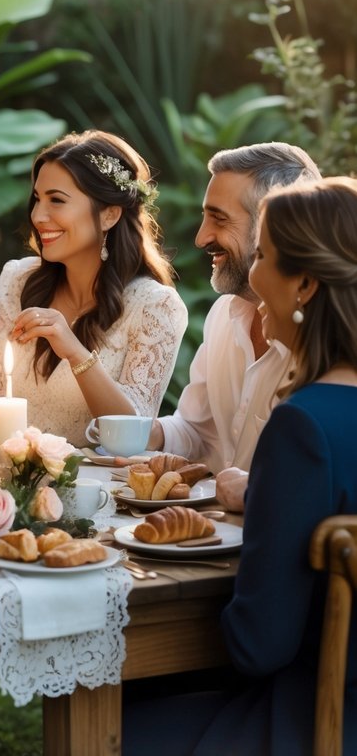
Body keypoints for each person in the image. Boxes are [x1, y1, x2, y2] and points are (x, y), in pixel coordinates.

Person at [125, 175, 357, 756]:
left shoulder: (304, 428)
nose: (253, 274)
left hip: (317, 723)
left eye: (267, 257)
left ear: (303, 284)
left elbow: (259, 644)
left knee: (111, 722)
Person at [0, 131, 188, 446]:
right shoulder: (19, 281)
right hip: (12, 491)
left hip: (101, 492)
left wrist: (75, 352)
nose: (38, 216)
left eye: (57, 200)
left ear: (109, 214)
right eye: (37, 199)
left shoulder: (155, 306)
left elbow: (135, 438)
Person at [145, 142, 319, 510]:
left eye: (219, 219)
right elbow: (197, 431)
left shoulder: (328, 340)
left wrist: (257, 492)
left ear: (277, 225)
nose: (201, 237)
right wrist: (145, 433)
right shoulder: (223, 314)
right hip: (214, 539)